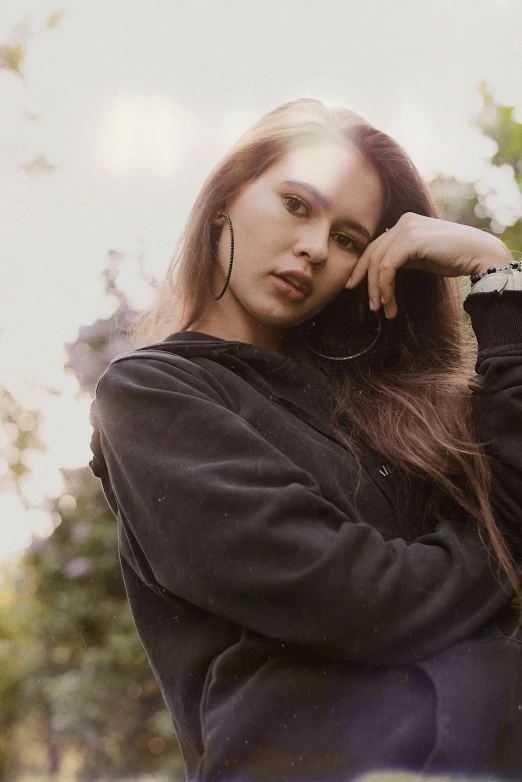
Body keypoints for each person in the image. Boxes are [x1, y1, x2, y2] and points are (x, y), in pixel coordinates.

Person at [89, 98, 522, 782]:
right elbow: (356, 599)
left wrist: (498, 275)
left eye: (350, 238)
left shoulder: (382, 408)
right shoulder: (152, 394)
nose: (317, 247)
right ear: (228, 195)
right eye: (297, 205)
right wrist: (504, 548)